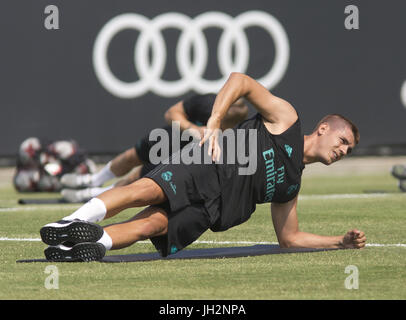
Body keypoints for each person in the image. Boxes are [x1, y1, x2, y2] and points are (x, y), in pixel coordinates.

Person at [39, 72, 366, 262]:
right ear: (323, 128)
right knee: (145, 189)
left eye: (348, 149)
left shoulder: (292, 184)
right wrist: (214, 120)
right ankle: (74, 221)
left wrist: (340, 242)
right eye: (342, 140)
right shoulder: (287, 119)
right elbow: (240, 80)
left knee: (150, 227)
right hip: (210, 164)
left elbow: (290, 238)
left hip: (220, 209)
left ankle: (81, 247)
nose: (343, 150)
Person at [59, 93, 249, 202]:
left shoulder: (237, 126)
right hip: (170, 136)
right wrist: (192, 129)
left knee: (136, 179)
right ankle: (93, 180)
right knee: (129, 157)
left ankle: (88, 194)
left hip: (185, 156)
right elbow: (171, 113)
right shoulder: (206, 102)